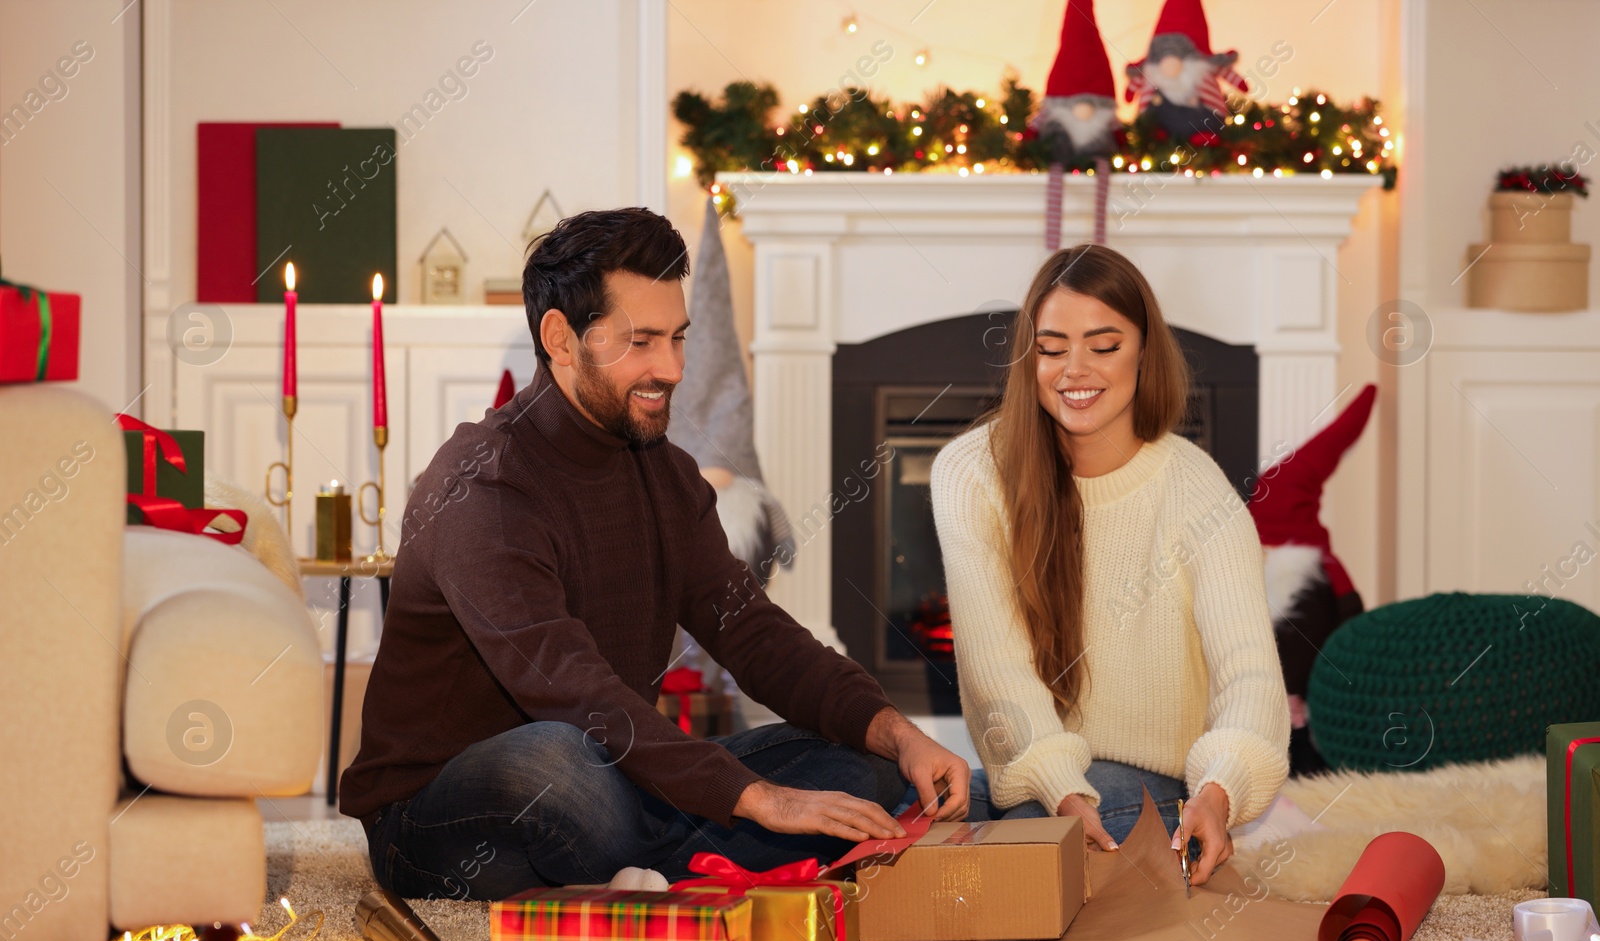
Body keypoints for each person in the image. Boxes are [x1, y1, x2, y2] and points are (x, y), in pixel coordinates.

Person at [340, 207, 970, 900]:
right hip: (443, 816)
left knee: (865, 766)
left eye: (677, 339)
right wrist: (761, 800)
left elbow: (755, 634)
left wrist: (898, 733)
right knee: (558, 761)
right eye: (641, 342)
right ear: (561, 338)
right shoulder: (482, 485)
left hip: (616, 772)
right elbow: (573, 689)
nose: (669, 368)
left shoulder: (665, 473)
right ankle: (690, 860)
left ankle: (649, 873)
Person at [930, 243, 1289, 887]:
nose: (1075, 369)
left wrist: (1218, 793)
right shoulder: (969, 472)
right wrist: (1062, 790)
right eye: (1052, 346)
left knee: (1010, 837)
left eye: (1104, 344)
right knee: (884, 800)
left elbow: (1251, 680)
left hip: (1150, 789)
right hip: (1042, 782)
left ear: (1145, 353)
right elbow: (997, 675)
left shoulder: (1197, 488)